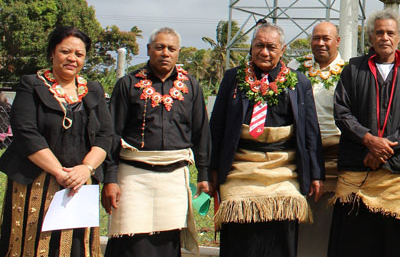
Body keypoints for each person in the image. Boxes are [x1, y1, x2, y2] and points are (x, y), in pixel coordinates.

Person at [209, 22, 324, 257]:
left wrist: (316, 173)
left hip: (284, 170)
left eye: (271, 47)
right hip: (239, 169)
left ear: (282, 50)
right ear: (251, 48)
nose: (264, 52)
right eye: (259, 45)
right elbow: (217, 127)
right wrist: (209, 170)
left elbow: (310, 131)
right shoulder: (233, 79)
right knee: (240, 238)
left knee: (281, 237)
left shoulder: (299, 83)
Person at [0, 27, 113, 257]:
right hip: (36, 181)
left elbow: (106, 135)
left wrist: (86, 168)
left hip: (80, 185)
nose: (72, 58)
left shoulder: (93, 90)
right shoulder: (31, 84)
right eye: (65, 51)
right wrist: (59, 173)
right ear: (52, 53)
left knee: (77, 246)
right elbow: (26, 132)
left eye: (79, 54)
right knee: (31, 246)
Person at [329, 9, 400, 257]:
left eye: (390, 33)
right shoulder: (353, 70)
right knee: (355, 244)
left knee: (394, 244)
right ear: (371, 38)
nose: (384, 37)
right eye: (379, 33)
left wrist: (384, 149)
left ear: (399, 38)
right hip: (358, 168)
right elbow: (342, 112)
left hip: (397, 172)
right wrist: (368, 139)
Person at [103, 27, 212, 257]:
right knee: (130, 242)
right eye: (159, 47)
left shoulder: (191, 86)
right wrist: (110, 179)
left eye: (171, 48)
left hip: (173, 179)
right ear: (148, 50)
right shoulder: (127, 84)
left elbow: (202, 133)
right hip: (133, 176)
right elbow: (112, 135)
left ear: (178, 52)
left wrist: (203, 175)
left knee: (166, 242)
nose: (165, 53)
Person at [296, 21, 346, 257]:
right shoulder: (296, 72)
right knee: (303, 222)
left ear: (337, 41)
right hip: (300, 156)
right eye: (316, 38)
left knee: (331, 224)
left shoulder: (349, 73)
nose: (321, 43)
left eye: (326, 38)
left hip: (336, 158)